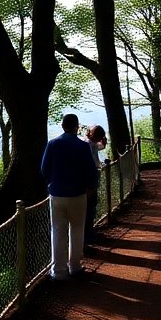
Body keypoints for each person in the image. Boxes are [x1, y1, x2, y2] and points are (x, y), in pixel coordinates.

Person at [41, 113, 99, 280]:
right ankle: (75, 267)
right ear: (76, 126)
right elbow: (91, 171)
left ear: (62, 126)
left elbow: (44, 170)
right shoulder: (82, 146)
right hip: (78, 194)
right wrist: (91, 187)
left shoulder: (52, 144)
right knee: (77, 230)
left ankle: (58, 272)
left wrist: (53, 183)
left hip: (57, 195)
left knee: (58, 231)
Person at [82, 124, 107, 245]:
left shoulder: (91, 143)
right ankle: (88, 235)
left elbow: (99, 147)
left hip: (93, 176)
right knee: (90, 206)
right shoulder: (87, 144)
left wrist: (104, 143)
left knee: (91, 206)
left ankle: (89, 232)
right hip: (89, 178)